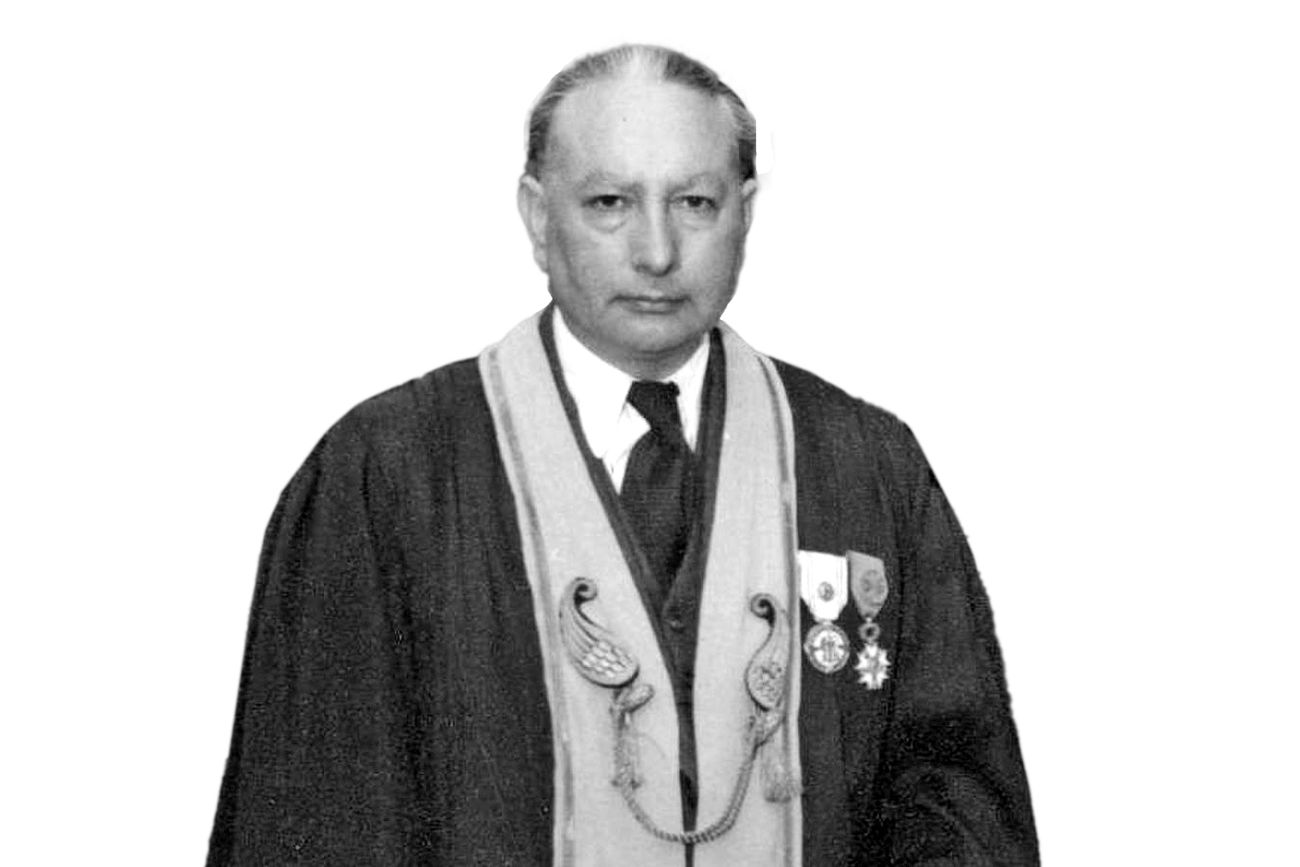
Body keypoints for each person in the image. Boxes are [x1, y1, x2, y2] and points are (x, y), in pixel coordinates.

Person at [207, 44, 1037, 866]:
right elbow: (317, 817)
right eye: (609, 202)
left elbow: (956, 802)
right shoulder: (389, 477)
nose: (657, 251)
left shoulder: (863, 467)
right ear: (538, 217)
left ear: (746, 212)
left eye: (695, 202)